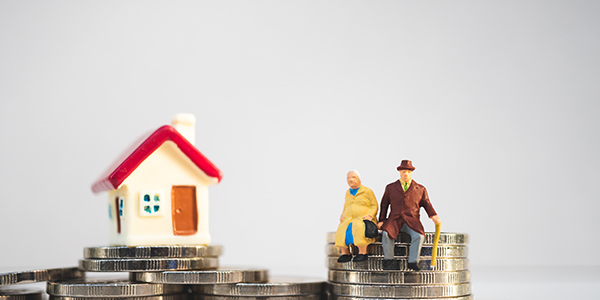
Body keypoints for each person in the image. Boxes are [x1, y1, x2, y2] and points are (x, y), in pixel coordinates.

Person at [377, 160, 441, 270]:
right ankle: (389, 261)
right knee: (386, 234)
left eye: (407, 172)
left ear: (411, 172)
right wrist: (381, 220)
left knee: (419, 236)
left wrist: (433, 214)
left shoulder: (420, 189)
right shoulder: (390, 188)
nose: (405, 174)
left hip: (412, 220)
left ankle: (413, 261)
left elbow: (427, 203)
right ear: (399, 173)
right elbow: (384, 205)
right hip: (394, 220)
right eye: (403, 172)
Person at [335, 170, 379, 263]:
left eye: (353, 177)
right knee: (341, 230)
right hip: (349, 218)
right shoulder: (348, 193)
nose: (350, 179)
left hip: (362, 219)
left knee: (359, 228)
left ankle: (362, 252)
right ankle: (345, 253)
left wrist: (370, 215)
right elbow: (346, 205)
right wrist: (343, 215)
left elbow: (374, 205)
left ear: (359, 179)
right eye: (348, 178)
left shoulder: (367, 191)